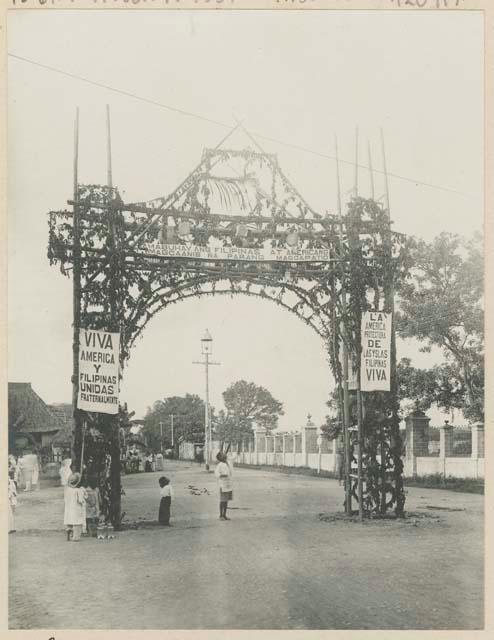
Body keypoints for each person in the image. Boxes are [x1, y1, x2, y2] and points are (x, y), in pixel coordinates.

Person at [64, 472, 87, 542]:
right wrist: (85, 495)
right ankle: (75, 537)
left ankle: (69, 529)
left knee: (70, 520)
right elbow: (80, 500)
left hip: (69, 507)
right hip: (76, 508)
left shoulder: (67, 490)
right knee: (77, 522)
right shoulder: (78, 490)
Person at [215, 452, 233, 521]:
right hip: (223, 484)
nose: (225, 456)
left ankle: (225, 515)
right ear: (220, 458)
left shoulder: (227, 463)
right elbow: (216, 473)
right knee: (222, 500)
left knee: (226, 500)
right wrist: (221, 475)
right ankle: (221, 515)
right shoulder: (220, 464)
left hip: (228, 483)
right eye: (223, 456)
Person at [8, 468, 17, 533]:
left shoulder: (11, 482)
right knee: (10, 513)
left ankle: (12, 528)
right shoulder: (10, 482)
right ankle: (11, 528)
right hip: (11, 499)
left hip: (12, 499)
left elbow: (13, 492)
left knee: (11, 513)